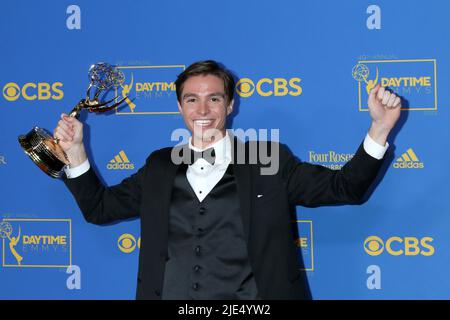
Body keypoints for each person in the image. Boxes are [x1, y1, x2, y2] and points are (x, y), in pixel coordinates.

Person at [55, 60, 401, 300]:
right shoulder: (159, 165)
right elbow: (99, 209)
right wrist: (75, 151)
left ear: (230, 105)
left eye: (214, 99)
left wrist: (379, 128)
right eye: (192, 100)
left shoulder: (270, 161)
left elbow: (347, 188)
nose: (202, 110)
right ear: (179, 107)